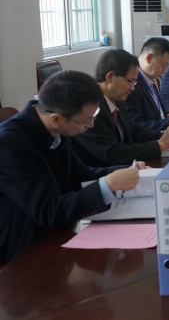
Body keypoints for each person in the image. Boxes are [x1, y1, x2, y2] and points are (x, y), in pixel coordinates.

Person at [0, 70, 142, 263]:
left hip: (57, 231)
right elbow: (48, 211)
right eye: (86, 121)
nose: (90, 126)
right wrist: (108, 185)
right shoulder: (9, 145)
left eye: (93, 117)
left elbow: (79, 173)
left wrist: (120, 171)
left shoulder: (55, 126)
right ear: (56, 118)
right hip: (24, 247)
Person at [71, 49, 169, 167]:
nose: (132, 88)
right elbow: (111, 153)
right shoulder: (89, 107)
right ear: (110, 77)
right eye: (130, 81)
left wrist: (168, 135)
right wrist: (159, 144)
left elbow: (134, 132)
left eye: (134, 83)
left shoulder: (116, 99)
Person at [123, 37, 169, 131]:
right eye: (163, 65)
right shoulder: (131, 85)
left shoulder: (152, 80)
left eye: (167, 66)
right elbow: (136, 126)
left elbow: (154, 117)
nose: (164, 71)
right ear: (149, 58)